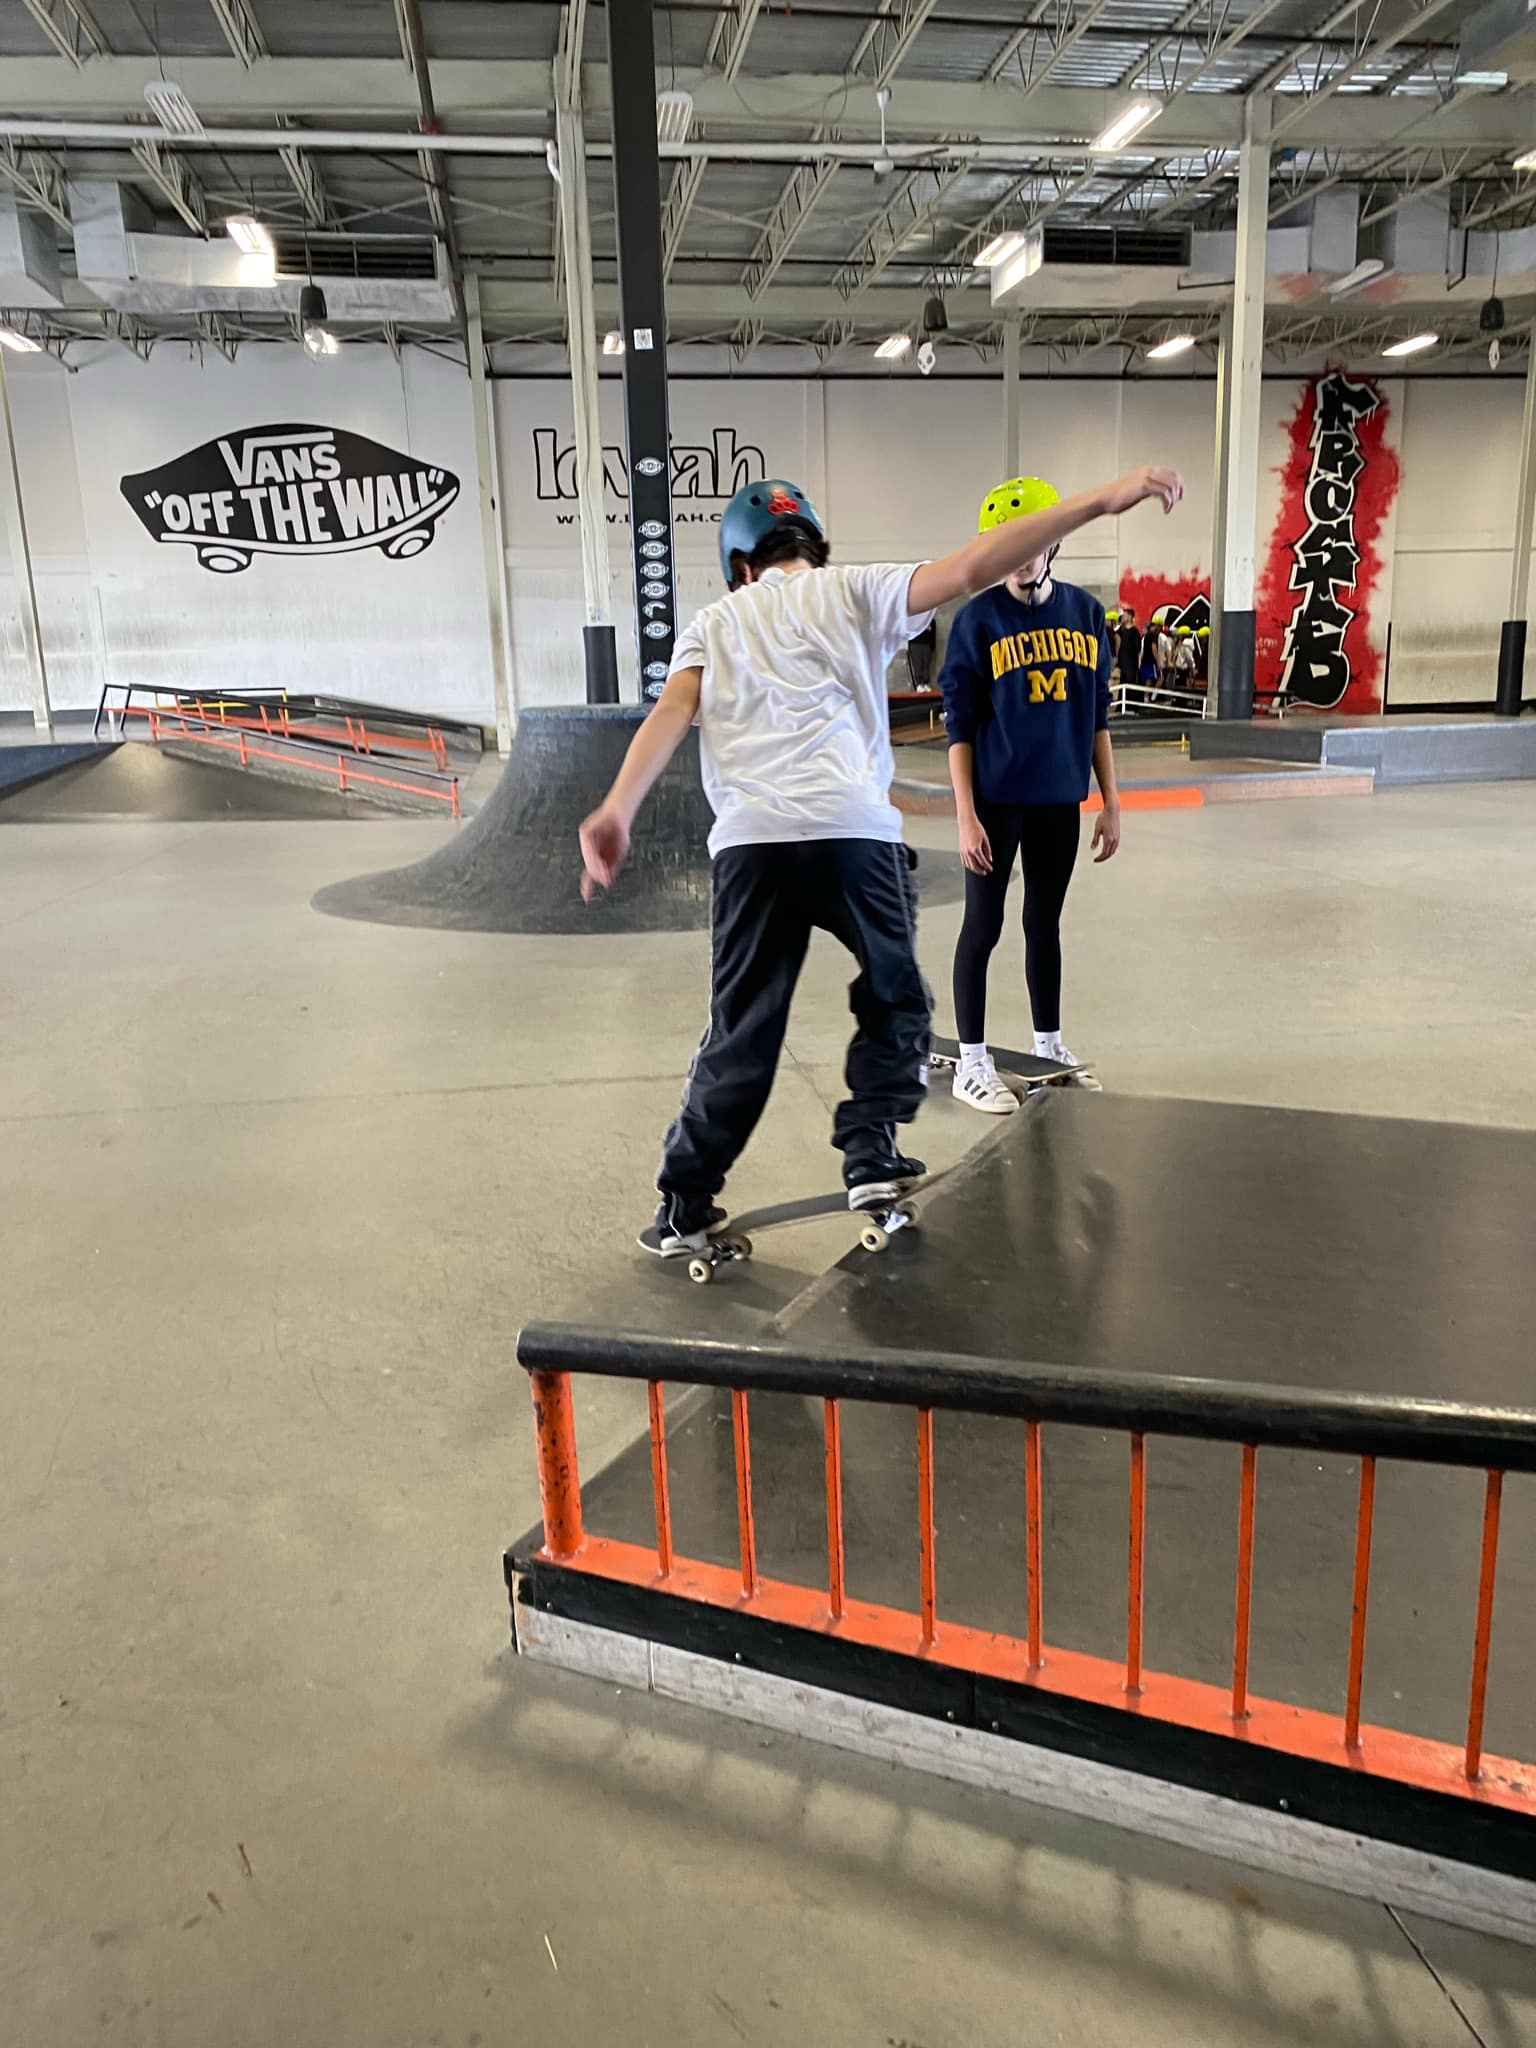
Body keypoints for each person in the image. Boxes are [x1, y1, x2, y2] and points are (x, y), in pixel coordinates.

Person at [579, 464, 1184, 1253]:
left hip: (753, 848)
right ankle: (870, 1150)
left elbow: (673, 708)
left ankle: (684, 1205)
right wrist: (1103, 500)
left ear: (740, 564)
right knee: (898, 1003)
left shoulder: (715, 621)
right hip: (855, 835)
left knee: (742, 1033)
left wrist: (618, 808)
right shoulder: (857, 589)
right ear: (814, 548)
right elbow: (977, 565)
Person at [942, 476, 1141, 1112]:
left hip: (1058, 800)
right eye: (1007, 544)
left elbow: (1097, 718)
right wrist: (966, 814)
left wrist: (1111, 799)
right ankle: (972, 1061)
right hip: (996, 803)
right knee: (984, 924)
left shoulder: (1085, 614)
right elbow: (959, 728)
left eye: (1032, 541)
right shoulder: (976, 622)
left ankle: (1048, 1047)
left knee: (1043, 924)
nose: (1020, 555)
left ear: (1053, 542)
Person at [1117, 605, 1141, 693]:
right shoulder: (1121, 630)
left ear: (1130, 617)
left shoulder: (1135, 631)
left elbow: (1138, 648)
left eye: (1125, 615)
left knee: (1130, 685)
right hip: (1122, 663)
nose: (1123, 617)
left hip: (1131, 664)